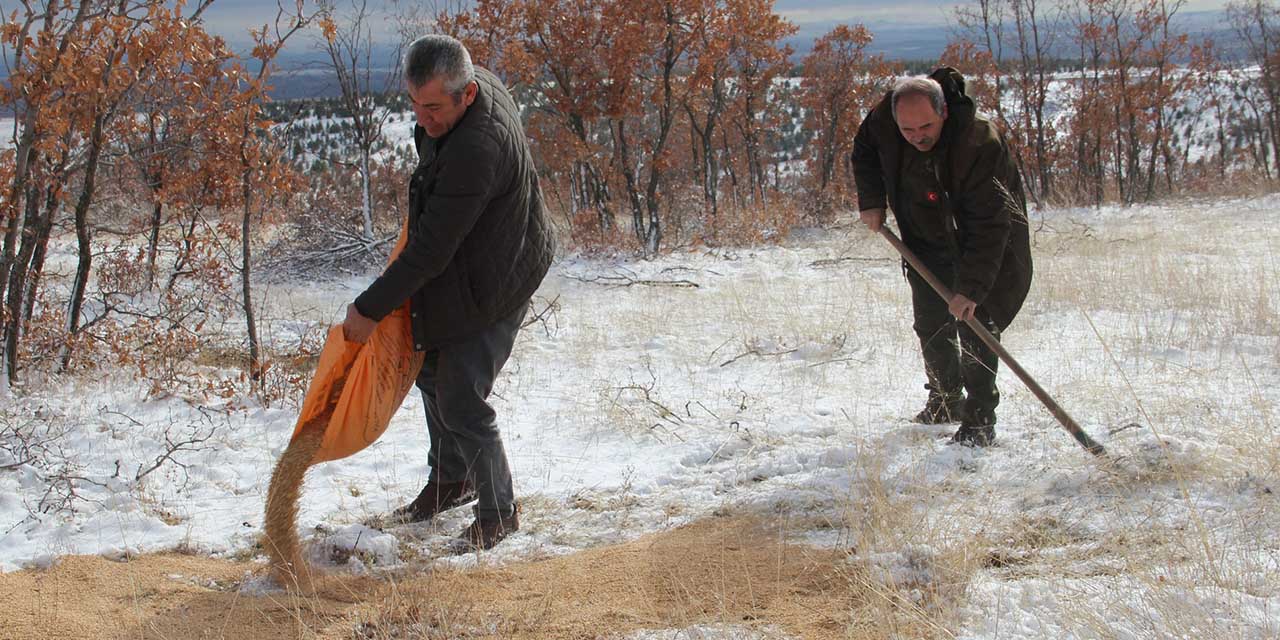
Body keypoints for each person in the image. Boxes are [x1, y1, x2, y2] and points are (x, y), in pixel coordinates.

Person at [342, 35, 554, 549]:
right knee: (430, 368)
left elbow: (430, 251)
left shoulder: (476, 152)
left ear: (468, 93)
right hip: (475, 253)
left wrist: (368, 309)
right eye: (414, 104)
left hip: (502, 273)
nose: (421, 117)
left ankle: (499, 513)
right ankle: (451, 480)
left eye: (433, 107)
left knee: (460, 395)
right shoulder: (462, 94)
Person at [851, 68, 1032, 447]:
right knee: (931, 323)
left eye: (926, 127)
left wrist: (971, 288)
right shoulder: (886, 119)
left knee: (977, 324)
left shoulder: (979, 143)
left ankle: (979, 419)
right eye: (908, 131)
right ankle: (945, 400)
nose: (918, 137)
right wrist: (871, 201)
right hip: (924, 236)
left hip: (980, 238)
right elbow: (864, 148)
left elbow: (990, 225)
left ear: (944, 111)